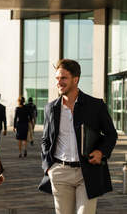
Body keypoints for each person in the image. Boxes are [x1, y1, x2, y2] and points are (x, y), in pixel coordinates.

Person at [40, 59, 118, 214]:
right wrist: (48, 167)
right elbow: (46, 140)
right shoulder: (51, 108)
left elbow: (111, 134)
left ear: (75, 79)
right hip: (59, 172)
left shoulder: (95, 105)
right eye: (57, 78)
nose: (59, 82)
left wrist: (101, 152)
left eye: (63, 78)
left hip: (87, 172)